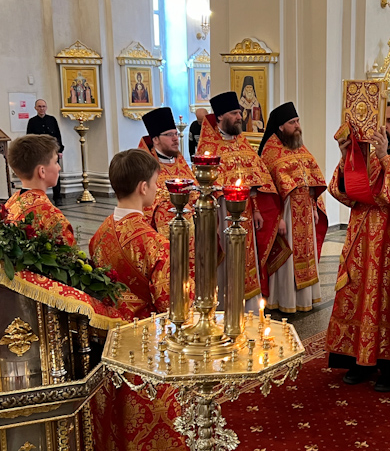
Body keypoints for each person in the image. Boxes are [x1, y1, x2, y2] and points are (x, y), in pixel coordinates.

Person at [88, 148, 192, 451]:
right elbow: (171, 302)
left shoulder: (100, 234)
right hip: (148, 347)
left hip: (110, 344)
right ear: (143, 187)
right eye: (156, 184)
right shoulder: (153, 242)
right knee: (153, 423)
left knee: (119, 423)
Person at [326, 102, 390, 393]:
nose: (384, 127)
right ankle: (360, 361)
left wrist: (385, 158)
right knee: (359, 294)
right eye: (381, 120)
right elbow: (341, 192)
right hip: (362, 241)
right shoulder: (365, 158)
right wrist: (347, 157)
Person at [197, 91, 284, 308]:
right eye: (234, 113)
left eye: (239, 113)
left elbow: (254, 180)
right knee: (226, 256)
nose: (239, 117)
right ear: (220, 116)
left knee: (247, 257)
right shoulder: (208, 147)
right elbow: (205, 187)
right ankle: (225, 306)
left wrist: (256, 210)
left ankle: (249, 307)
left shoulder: (242, 143)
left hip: (245, 213)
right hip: (221, 213)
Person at [259, 102, 328, 314]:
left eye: (298, 121)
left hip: (305, 212)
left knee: (306, 255)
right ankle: (285, 300)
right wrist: (277, 218)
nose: (297, 126)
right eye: (292, 122)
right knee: (287, 259)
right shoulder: (270, 151)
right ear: (280, 126)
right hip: (286, 213)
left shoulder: (300, 147)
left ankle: (304, 298)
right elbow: (267, 190)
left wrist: (314, 207)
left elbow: (311, 181)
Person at [5, 134, 75, 247]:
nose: (59, 167)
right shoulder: (51, 216)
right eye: (55, 162)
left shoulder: (11, 203)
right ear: (42, 171)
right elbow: (70, 253)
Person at [140, 107, 197, 236]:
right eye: (169, 135)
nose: (176, 138)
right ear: (155, 139)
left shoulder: (180, 163)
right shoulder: (145, 167)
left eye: (176, 133)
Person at [25, 99, 64, 205]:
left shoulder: (52, 120)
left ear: (46, 108)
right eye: (39, 106)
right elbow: (29, 138)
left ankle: (57, 197)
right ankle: (40, 197)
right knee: (39, 175)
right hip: (39, 153)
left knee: (55, 174)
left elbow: (57, 136)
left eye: (43, 106)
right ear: (35, 108)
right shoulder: (32, 121)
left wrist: (60, 150)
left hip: (52, 152)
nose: (42, 109)